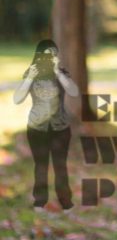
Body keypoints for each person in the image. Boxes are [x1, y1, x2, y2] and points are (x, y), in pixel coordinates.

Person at [13, 38, 79, 210]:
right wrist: (29, 78)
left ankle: (66, 203)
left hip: (61, 128)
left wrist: (57, 72)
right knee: (40, 166)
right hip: (37, 128)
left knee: (60, 166)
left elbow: (74, 92)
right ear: (37, 55)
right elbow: (17, 99)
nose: (48, 59)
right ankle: (40, 202)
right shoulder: (31, 73)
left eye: (52, 55)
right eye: (44, 55)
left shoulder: (61, 74)